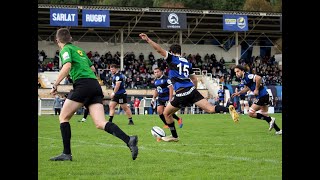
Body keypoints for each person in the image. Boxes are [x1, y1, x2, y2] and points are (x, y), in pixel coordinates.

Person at [49, 28, 138, 161]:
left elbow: (67, 66)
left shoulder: (65, 50)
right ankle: (128, 139)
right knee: (100, 123)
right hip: (95, 85)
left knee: (63, 117)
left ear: (57, 41)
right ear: (71, 38)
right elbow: (92, 68)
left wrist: (55, 84)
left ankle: (66, 153)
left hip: (83, 84)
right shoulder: (80, 51)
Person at [139, 33, 239, 142]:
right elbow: (194, 79)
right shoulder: (187, 62)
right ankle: (228, 109)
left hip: (181, 92)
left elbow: (159, 50)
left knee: (166, 113)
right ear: (180, 52)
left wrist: (148, 39)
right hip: (192, 90)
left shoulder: (172, 58)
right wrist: (193, 92)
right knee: (210, 109)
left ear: (171, 52)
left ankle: (174, 136)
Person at [231, 65, 282, 135]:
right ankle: (278, 130)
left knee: (250, 113)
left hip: (263, 96)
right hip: (263, 96)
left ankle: (270, 119)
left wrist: (256, 89)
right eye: (235, 72)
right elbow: (246, 88)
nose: (236, 73)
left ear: (242, 71)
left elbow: (258, 78)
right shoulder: (243, 79)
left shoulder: (247, 76)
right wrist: (238, 93)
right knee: (265, 115)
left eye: (238, 71)